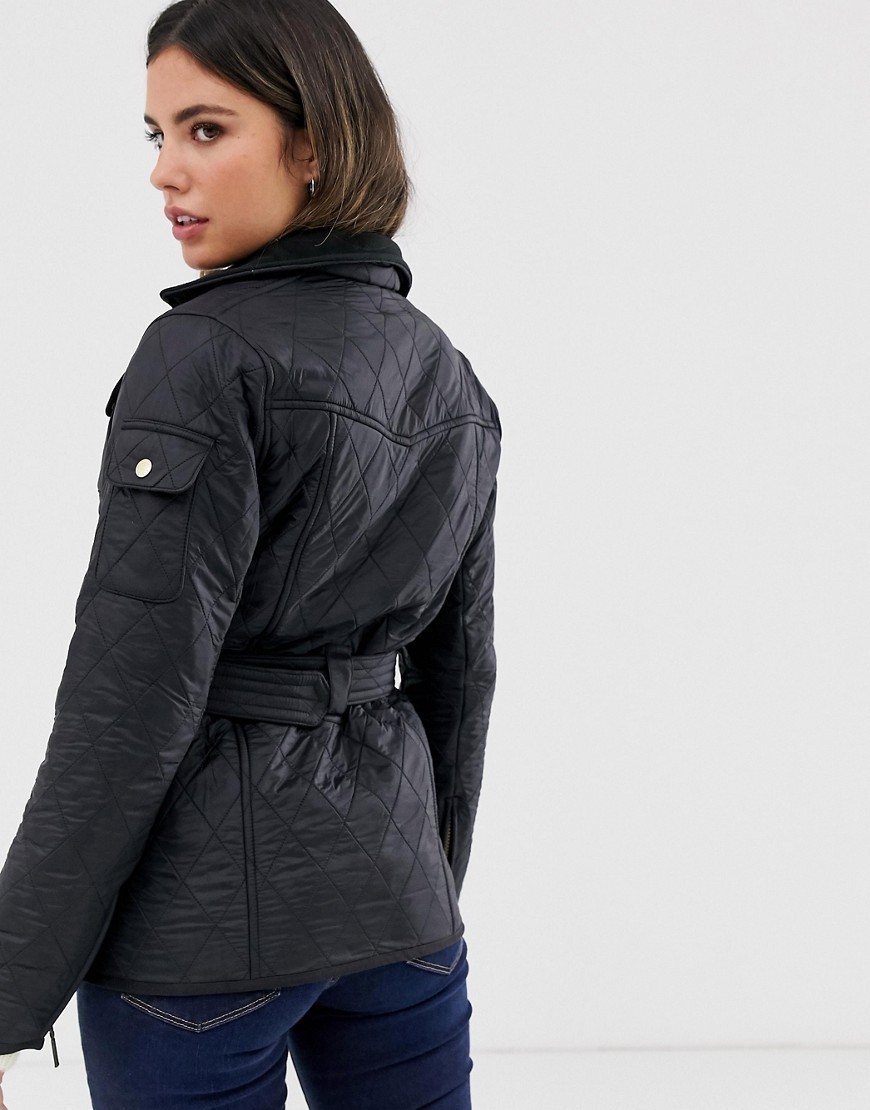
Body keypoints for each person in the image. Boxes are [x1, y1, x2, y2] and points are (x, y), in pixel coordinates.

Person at [0, 0, 501, 1106]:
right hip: (403, 919)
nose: (164, 172)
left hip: (202, 937)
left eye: (206, 129)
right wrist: (424, 891)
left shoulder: (199, 356)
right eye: (157, 134)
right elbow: (461, 680)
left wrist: (10, 988)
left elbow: (128, 699)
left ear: (312, 144)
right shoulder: (449, 371)